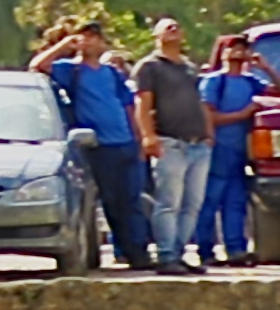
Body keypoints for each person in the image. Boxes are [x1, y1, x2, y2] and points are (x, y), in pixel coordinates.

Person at [50, 22, 161, 271]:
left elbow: (128, 106)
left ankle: (139, 253)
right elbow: (38, 66)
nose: (89, 41)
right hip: (100, 147)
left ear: (102, 42)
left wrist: (140, 139)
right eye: (84, 36)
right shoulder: (71, 70)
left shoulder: (112, 73)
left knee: (132, 200)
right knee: (112, 202)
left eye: (94, 37)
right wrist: (64, 46)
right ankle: (126, 250)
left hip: (125, 143)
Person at [141, 21, 216, 274]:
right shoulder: (149, 67)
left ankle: (180, 253)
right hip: (169, 142)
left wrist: (208, 134)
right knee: (168, 202)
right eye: (168, 27)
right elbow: (143, 103)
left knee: (193, 202)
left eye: (177, 27)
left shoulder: (189, 68)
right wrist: (148, 136)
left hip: (198, 144)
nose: (174, 30)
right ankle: (165, 255)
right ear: (156, 35)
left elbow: (199, 102)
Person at [208, 38, 265, 270]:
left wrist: (267, 68)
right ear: (223, 52)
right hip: (218, 149)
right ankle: (205, 249)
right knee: (210, 201)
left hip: (242, 152)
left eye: (243, 48)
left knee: (236, 202)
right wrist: (243, 114)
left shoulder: (252, 82)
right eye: (233, 47)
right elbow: (209, 116)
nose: (238, 52)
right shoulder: (214, 82)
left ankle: (236, 250)